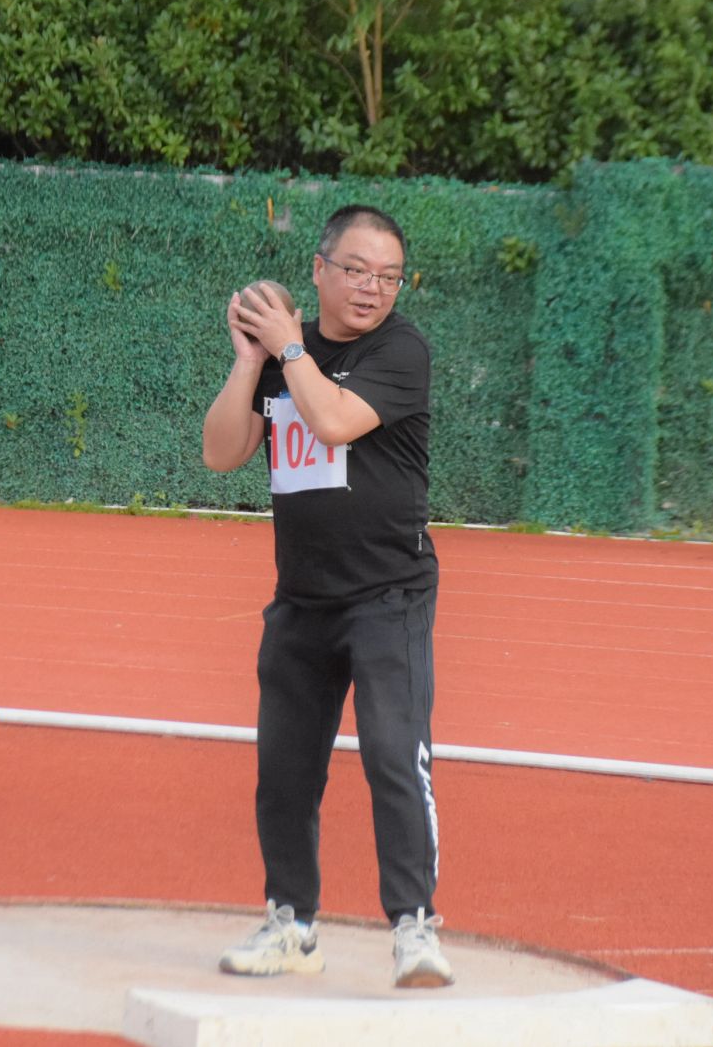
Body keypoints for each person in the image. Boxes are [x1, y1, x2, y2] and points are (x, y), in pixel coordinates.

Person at [200, 204, 453, 990]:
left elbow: (336, 422)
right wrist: (251, 361)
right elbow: (221, 453)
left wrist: (290, 349)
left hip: (388, 594)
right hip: (303, 598)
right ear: (319, 269)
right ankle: (291, 924)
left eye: (389, 276)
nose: (372, 288)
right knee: (284, 768)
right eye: (356, 270)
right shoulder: (283, 355)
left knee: (393, 754)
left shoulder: (400, 349)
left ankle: (415, 928)